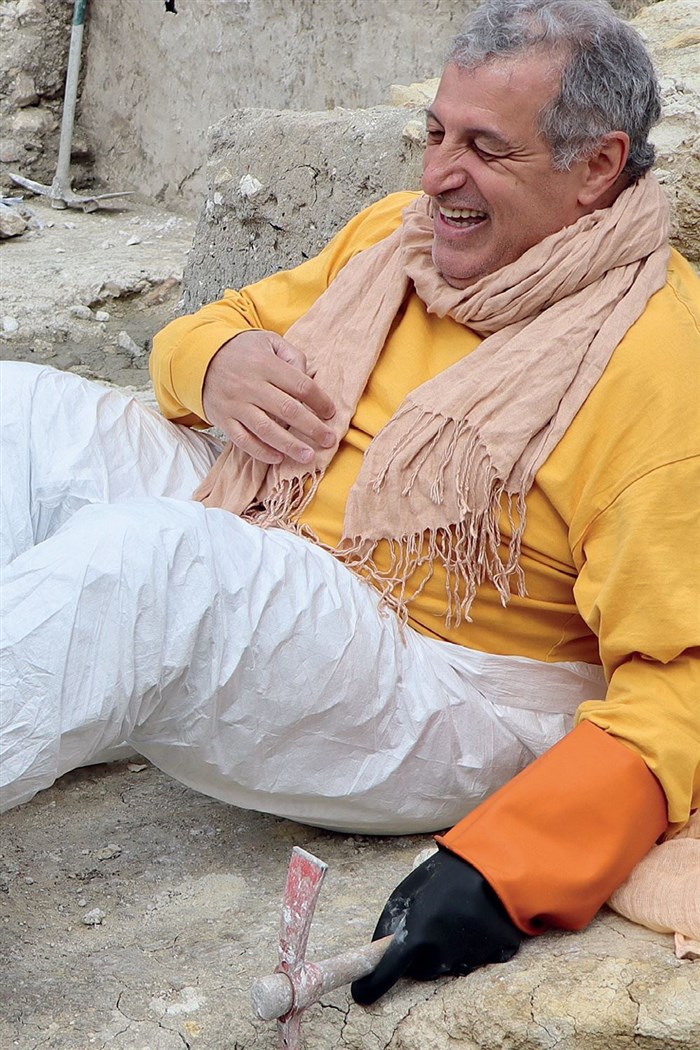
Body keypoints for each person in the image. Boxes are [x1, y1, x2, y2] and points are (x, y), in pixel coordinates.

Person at [1, 0, 698, 1006]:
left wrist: (510, 865)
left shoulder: (659, 364)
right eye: (435, 133)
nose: (438, 175)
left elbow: (677, 685)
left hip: (451, 677)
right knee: (20, 408)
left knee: (150, 562)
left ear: (596, 166)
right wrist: (217, 364)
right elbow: (224, 323)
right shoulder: (397, 240)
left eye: (484, 149)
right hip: (277, 528)